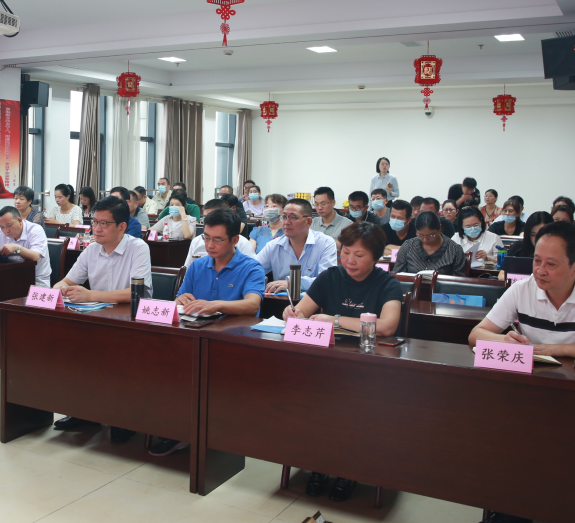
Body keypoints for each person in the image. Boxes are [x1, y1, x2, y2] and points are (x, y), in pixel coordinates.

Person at [283, 221, 403, 501]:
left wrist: (335, 319)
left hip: (368, 368)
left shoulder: (388, 283)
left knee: (355, 410)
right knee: (311, 405)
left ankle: (348, 471)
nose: (349, 260)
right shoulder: (330, 277)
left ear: (376, 257)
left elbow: (387, 326)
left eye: (359, 255)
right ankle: (318, 466)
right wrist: (294, 313)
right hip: (327, 364)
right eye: (345, 252)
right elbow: (303, 312)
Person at [152, 208, 265, 457]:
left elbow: (252, 305)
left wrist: (216, 305)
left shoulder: (251, 268)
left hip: (234, 344)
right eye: (206, 238)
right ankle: (176, 429)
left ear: (234, 240)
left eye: (217, 240)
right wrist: (181, 298)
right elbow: (182, 297)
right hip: (195, 337)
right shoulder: (198, 265)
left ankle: (205, 434)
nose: (210, 245)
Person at [468, 221, 575, 365]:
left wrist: (562, 349)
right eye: (537, 260)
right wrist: (504, 341)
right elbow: (476, 335)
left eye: (551, 264)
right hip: (535, 378)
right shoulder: (521, 289)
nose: (540, 271)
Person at [52, 196, 152, 443]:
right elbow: (67, 280)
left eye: (104, 224)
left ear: (122, 227)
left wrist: (90, 295)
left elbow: (136, 293)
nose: (96, 228)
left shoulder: (138, 248)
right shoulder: (92, 249)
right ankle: (85, 413)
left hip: (131, 324)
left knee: (118, 361)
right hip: (97, 320)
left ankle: (123, 419)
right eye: (94, 222)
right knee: (69, 351)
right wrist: (59, 288)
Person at [256, 198, 338, 291]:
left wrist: (292, 283)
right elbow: (252, 271)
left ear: (308, 221)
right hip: (280, 299)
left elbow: (328, 280)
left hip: (316, 299)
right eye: (284, 217)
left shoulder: (325, 243)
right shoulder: (274, 245)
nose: (286, 222)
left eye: (293, 217)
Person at [0, 206, 51, 287]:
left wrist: (17, 248)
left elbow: (35, 256)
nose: (6, 230)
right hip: (8, 278)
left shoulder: (35, 230)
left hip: (35, 281)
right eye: (2, 227)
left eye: (9, 225)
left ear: (19, 221)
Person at [391, 211, 468, 276]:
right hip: (411, 288)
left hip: (442, 289)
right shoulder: (408, 246)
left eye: (430, 235)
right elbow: (397, 274)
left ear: (439, 228)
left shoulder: (454, 249)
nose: (425, 239)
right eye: (420, 235)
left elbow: (458, 281)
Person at [183, 199, 255, 266]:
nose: (210, 246)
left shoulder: (242, 243)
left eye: (217, 240)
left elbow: (250, 267)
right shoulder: (197, 241)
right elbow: (187, 268)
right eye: (205, 217)